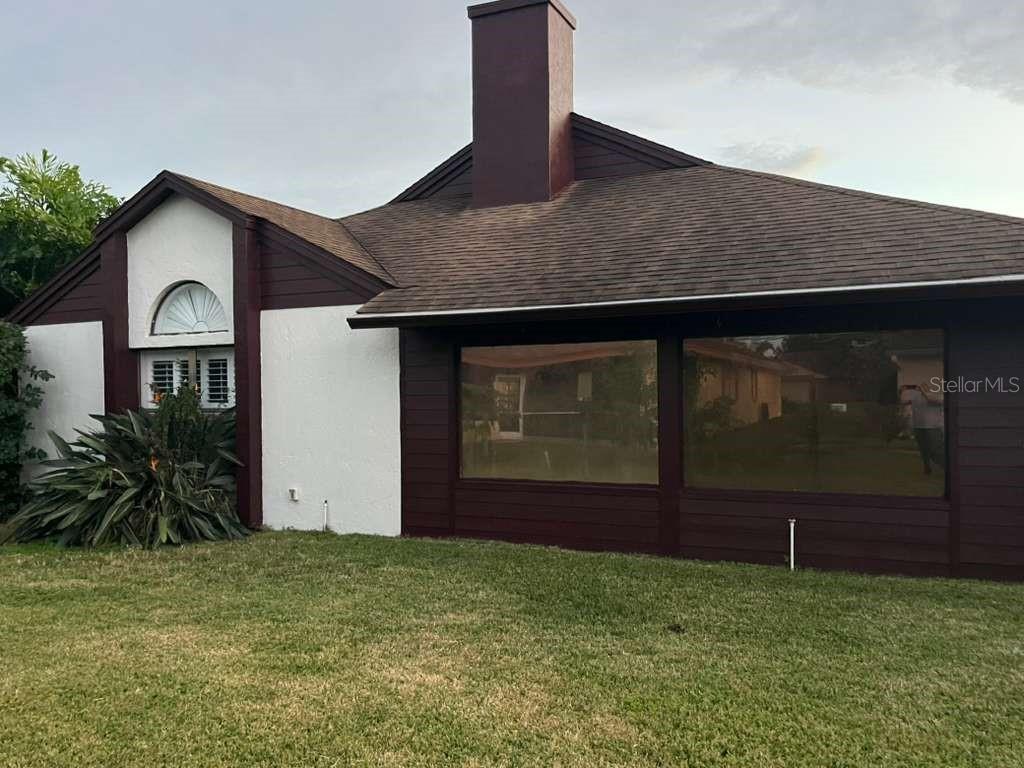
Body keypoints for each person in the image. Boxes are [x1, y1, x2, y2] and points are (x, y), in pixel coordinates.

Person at [900, 383, 945, 475]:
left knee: (935, 450)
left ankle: (945, 466)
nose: (921, 388)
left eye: (925, 386)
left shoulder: (937, 396)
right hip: (918, 427)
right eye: (921, 386)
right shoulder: (916, 397)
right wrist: (903, 391)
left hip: (933, 427)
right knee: (923, 449)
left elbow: (930, 399)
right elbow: (903, 402)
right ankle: (927, 468)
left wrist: (923, 392)